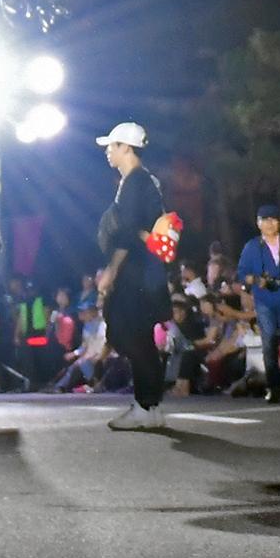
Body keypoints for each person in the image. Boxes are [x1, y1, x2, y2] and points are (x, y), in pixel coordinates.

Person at [94, 121, 176, 429]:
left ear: (126, 147)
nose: (108, 152)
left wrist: (112, 271)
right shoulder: (148, 181)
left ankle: (145, 405)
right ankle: (151, 406)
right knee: (139, 338)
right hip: (149, 270)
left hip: (136, 272)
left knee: (127, 334)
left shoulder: (134, 182)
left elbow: (127, 233)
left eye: (112, 146)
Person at [236, 206, 280, 397]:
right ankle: (274, 386)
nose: (269, 224)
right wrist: (252, 279)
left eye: (273, 219)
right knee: (269, 343)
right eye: (264, 220)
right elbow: (241, 272)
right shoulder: (252, 246)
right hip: (265, 300)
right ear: (258, 223)